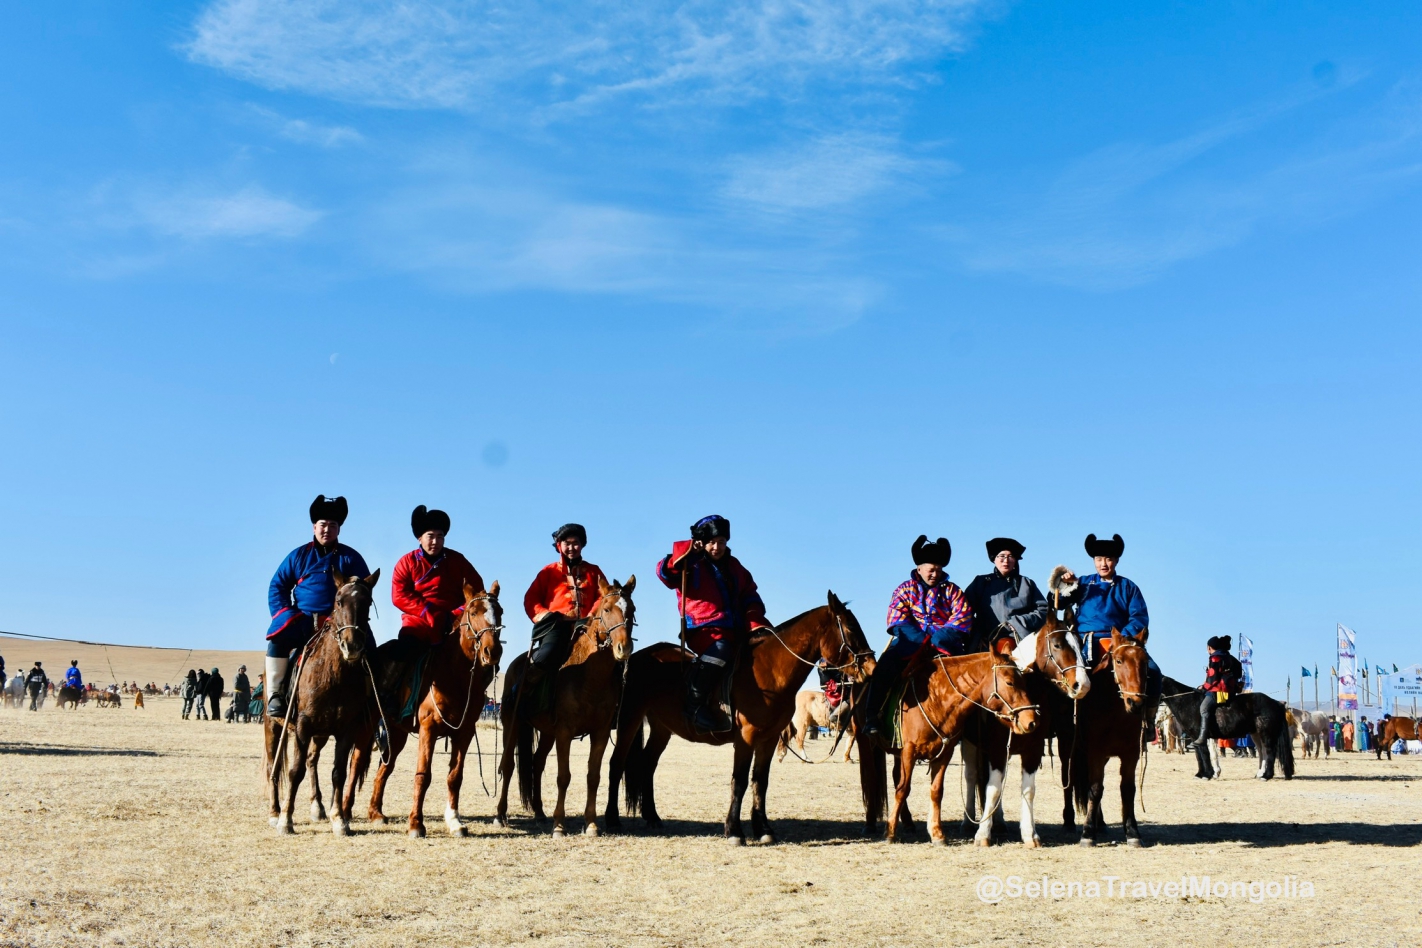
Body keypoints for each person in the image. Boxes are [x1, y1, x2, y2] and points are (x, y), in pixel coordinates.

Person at [656, 515, 770, 732]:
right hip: (703, 629)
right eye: (711, 542)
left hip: (737, 629)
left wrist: (757, 623)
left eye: (722, 542)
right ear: (702, 542)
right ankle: (694, 706)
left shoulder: (735, 566)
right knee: (721, 649)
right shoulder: (691, 562)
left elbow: (750, 595)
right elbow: (665, 573)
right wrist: (689, 551)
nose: (717, 547)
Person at [265, 495, 370, 718]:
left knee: (370, 648)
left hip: (339, 624)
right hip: (302, 620)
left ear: (339, 530)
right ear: (314, 527)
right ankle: (275, 694)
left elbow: (361, 591)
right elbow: (278, 586)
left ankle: (374, 706)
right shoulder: (298, 556)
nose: (327, 530)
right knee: (277, 640)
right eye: (323, 524)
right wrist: (285, 615)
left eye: (333, 525)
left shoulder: (351, 558)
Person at [860, 536, 973, 740]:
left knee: (971, 677)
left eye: (938, 569)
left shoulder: (953, 591)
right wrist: (922, 639)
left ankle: (973, 726)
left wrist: (939, 637)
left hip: (945, 645)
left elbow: (962, 617)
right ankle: (872, 718)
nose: (935, 573)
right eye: (931, 568)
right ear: (919, 568)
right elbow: (897, 619)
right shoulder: (904, 590)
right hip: (909, 644)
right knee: (882, 670)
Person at [1049, 533, 1161, 702]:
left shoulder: (1128, 587)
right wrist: (1066, 584)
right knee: (1061, 674)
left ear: (1116, 561)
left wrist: (1121, 638)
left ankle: (1150, 718)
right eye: (1099, 559)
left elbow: (1139, 617)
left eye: (1108, 559)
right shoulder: (1083, 583)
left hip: (1119, 642)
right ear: (1094, 561)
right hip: (1083, 642)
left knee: (1153, 671)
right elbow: (1057, 604)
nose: (1103, 564)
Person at [523, 523, 608, 685]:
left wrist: (592, 615)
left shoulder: (593, 571)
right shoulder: (548, 571)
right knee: (548, 654)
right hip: (557, 625)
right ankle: (525, 687)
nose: (571, 547)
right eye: (567, 543)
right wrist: (546, 615)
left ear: (582, 545)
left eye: (575, 543)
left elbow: (604, 595)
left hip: (589, 625)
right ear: (559, 545)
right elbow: (531, 599)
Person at [963, 537, 1049, 651]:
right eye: (1002, 556)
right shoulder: (981, 582)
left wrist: (1019, 622)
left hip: (1019, 639)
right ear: (994, 559)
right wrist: (976, 633)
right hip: (985, 641)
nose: (1006, 560)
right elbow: (964, 610)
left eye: (1011, 556)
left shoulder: (1026, 584)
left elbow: (1044, 611)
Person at [1192, 636, 1242, 756]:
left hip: (1219, 691)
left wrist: (1203, 687)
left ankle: (1203, 737)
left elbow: (1213, 678)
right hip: (1231, 690)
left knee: (1203, 707)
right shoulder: (1230, 657)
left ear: (1210, 647)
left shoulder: (1215, 658)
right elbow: (1239, 672)